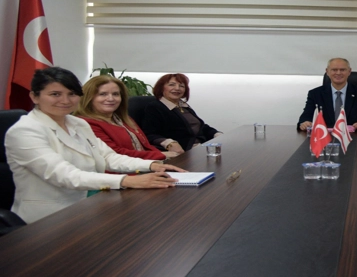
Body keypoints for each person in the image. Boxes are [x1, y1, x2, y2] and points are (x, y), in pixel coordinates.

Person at [5, 67, 185, 223]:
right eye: (55, 94)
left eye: (72, 94)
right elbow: (65, 175)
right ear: (34, 96)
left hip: (89, 205)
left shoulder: (78, 123)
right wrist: (126, 180)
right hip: (49, 218)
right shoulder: (25, 131)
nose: (65, 101)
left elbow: (108, 157)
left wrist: (152, 165)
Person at [74, 75, 178, 161]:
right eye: (103, 94)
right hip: (120, 173)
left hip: (145, 166)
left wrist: (165, 156)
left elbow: (145, 146)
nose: (111, 98)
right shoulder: (86, 123)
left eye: (115, 94)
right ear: (89, 98)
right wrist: (160, 155)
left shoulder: (124, 119)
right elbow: (115, 153)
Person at [142, 73, 222, 153]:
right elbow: (150, 134)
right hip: (184, 151)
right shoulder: (155, 107)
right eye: (172, 85)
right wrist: (169, 143)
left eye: (181, 86)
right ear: (161, 88)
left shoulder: (183, 106)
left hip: (201, 146)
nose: (177, 88)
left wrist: (217, 134)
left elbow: (200, 127)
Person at [297, 58, 357, 131]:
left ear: (349, 71)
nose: (338, 73)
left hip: (353, 137)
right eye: (334, 70)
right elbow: (305, 117)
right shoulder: (315, 94)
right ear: (327, 71)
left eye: (342, 70)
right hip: (325, 138)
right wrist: (305, 123)